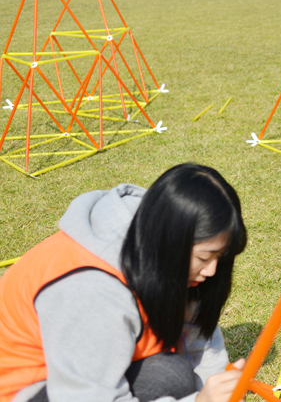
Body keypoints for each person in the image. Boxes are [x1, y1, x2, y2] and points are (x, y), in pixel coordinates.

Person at [0, 163, 249, 402]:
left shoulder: (160, 238)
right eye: (205, 257)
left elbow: (196, 338)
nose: (212, 270)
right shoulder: (93, 292)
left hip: (76, 372)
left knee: (173, 374)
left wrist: (218, 389)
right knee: (171, 378)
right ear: (173, 240)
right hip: (27, 390)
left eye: (219, 257)